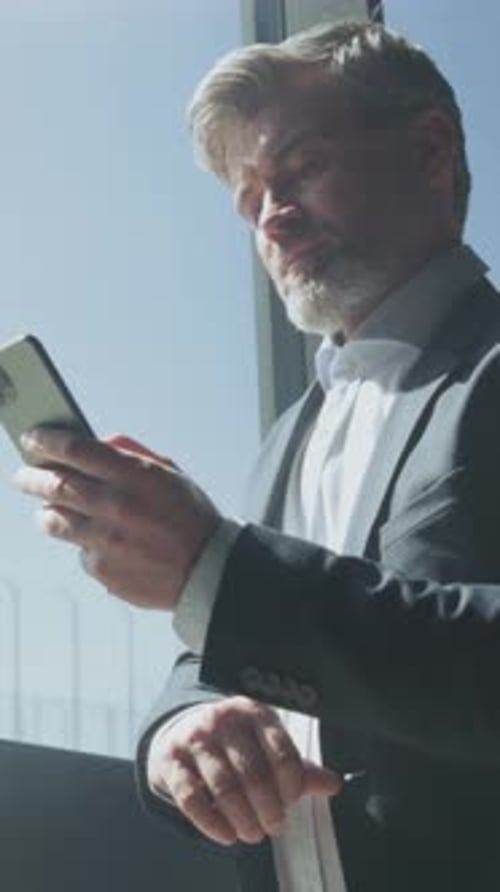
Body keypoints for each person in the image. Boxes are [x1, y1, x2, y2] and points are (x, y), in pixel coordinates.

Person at [14, 19, 500, 892]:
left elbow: (256, 597)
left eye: (301, 167)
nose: (270, 213)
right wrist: (181, 734)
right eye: (248, 199)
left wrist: (219, 568)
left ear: (430, 150)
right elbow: (213, 654)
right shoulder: (289, 438)